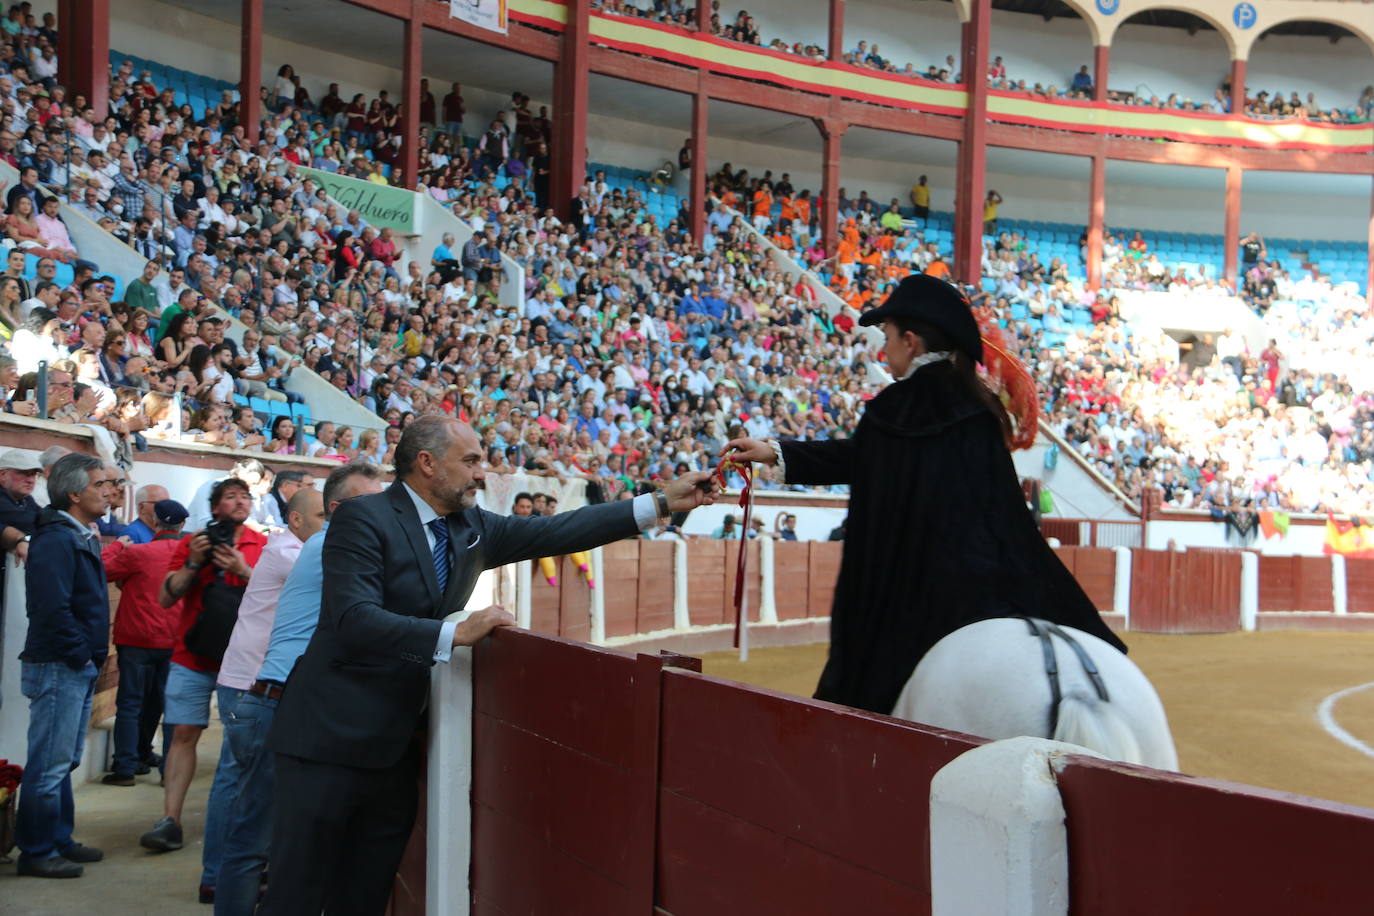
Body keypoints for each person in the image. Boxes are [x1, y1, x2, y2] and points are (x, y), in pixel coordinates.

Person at [259, 416, 717, 914]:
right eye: (471, 461)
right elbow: (353, 619)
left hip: (393, 749)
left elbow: (557, 531)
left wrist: (659, 502)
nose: (483, 473)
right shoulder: (363, 517)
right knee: (297, 892)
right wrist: (453, 633)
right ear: (427, 464)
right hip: (326, 741)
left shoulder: (471, 526)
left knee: (366, 895)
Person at [722, 274, 1125, 716]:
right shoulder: (979, 408)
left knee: (861, 679)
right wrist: (778, 451)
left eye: (889, 337)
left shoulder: (894, 410)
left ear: (911, 342)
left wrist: (776, 452)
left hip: (925, 591)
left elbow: (863, 459)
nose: (884, 349)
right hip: (998, 584)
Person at [215, 463, 381, 916]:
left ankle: (222, 886)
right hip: (273, 696)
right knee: (255, 828)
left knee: (251, 819)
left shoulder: (315, 545)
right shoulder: (323, 546)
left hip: (266, 691)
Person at [140, 477, 268, 907]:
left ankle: (220, 851)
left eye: (245, 496)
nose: (239, 501)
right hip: (192, 655)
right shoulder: (194, 542)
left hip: (242, 661)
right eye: (230, 496)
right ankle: (169, 819)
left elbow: (273, 598)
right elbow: (165, 597)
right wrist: (194, 563)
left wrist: (241, 570)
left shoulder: (260, 544)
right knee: (182, 734)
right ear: (214, 507)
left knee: (237, 752)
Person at [13, 452, 110, 878]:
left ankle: (58, 839)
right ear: (74, 494)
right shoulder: (57, 539)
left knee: (63, 759)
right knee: (50, 763)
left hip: (71, 661)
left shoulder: (76, 533)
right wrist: (80, 655)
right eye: (99, 485)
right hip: (60, 663)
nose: (108, 492)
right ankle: (36, 851)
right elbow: (52, 609)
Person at [99, 499, 190, 785]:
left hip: (136, 639)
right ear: (182, 525)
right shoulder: (191, 557)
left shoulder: (138, 553)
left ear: (155, 523)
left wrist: (117, 546)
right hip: (174, 640)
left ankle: (125, 767)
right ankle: (167, 771)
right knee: (167, 705)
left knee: (129, 704)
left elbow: (100, 568)